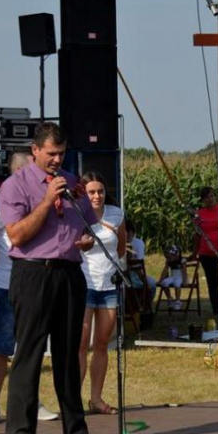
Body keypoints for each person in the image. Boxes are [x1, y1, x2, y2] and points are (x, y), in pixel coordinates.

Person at [0, 122, 103, 434]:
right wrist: (46, 201)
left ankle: (75, 430)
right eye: (52, 154)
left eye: (62, 153)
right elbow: (17, 235)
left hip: (70, 272)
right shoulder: (16, 186)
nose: (58, 160)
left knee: (69, 354)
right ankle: (20, 433)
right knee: (29, 351)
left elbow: (87, 225)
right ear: (35, 150)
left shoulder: (74, 185)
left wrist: (86, 241)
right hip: (33, 274)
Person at [0, 150, 58, 425]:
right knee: (3, 345)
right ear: (16, 173)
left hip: (36, 282)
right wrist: (3, 264)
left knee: (32, 345)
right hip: (6, 283)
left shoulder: (42, 198)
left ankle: (32, 402)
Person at [78, 171, 125, 416]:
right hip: (85, 283)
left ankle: (96, 398)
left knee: (102, 344)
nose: (97, 196)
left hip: (109, 285)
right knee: (81, 343)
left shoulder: (116, 214)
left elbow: (121, 248)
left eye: (101, 191)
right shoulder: (76, 214)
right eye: (92, 192)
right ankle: (73, 399)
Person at [192, 186, 218, 318]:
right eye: (206, 197)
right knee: (212, 283)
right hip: (207, 253)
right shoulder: (200, 214)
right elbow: (196, 235)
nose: (210, 199)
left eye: (212, 196)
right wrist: (194, 253)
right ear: (202, 200)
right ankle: (216, 311)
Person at [125, 219, 156, 299]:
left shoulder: (138, 243)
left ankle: (146, 304)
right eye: (125, 232)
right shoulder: (117, 243)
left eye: (129, 232)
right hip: (123, 274)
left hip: (136, 273)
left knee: (152, 283)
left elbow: (139, 263)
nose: (127, 234)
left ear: (133, 232)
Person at [158, 244, 187, 310]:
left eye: (169, 257)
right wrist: (160, 280)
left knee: (177, 283)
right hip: (173, 276)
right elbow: (165, 271)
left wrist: (184, 281)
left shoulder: (182, 260)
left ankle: (178, 300)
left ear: (175, 254)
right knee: (164, 283)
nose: (168, 259)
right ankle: (169, 298)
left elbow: (184, 272)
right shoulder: (169, 261)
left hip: (181, 277)